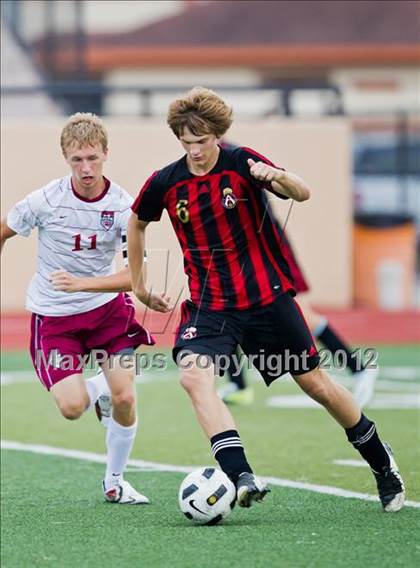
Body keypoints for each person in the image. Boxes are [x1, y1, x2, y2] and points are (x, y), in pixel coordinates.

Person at [128, 87, 405, 512]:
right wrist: (140, 284)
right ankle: (241, 475)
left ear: (218, 135)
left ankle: (382, 464)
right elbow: (137, 221)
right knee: (193, 376)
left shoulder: (241, 163)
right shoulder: (167, 181)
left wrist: (276, 176)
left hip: (266, 299)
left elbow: (302, 192)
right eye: (186, 143)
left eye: (201, 142)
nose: (195, 151)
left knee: (318, 385)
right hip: (210, 304)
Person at [0, 113, 154, 505]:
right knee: (72, 408)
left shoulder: (123, 206)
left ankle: (115, 481)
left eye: (92, 158)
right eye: (77, 160)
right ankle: (98, 390)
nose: (86, 169)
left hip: (106, 313)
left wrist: (85, 284)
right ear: (65, 158)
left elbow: (135, 277)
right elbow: (3, 230)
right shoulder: (45, 200)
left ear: (106, 154)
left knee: (126, 397)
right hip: (55, 319)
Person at [219, 224, 378, 407]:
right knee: (227, 308)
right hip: (234, 252)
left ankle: (358, 368)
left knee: (305, 316)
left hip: (264, 250)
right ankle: (238, 385)